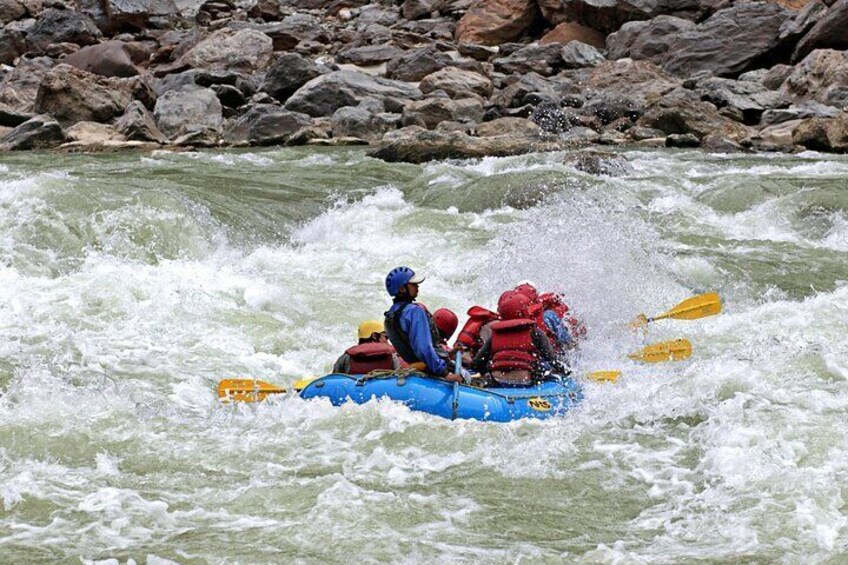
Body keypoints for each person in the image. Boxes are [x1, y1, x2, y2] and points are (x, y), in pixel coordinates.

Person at [383, 266, 463, 383]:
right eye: (413, 284)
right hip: (433, 370)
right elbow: (424, 348)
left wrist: (449, 353)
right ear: (402, 289)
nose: (417, 287)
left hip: (416, 369)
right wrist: (445, 374)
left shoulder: (390, 315)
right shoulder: (414, 311)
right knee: (467, 377)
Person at [472, 290, 567, 387]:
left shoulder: (495, 335)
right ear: (525, 311)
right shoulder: (534, 332)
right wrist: (565, 372)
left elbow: (477, 363)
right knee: (546, 370)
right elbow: (552, 359)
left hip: (497, 381)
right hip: (524, 381)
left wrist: (482, 372)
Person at [514, 282, 586, 353]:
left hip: (530, 358)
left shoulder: (511, 319)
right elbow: (567, 340)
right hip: (553, 354)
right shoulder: (549, 314)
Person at [332, 320, 401, 374]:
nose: (387, 341)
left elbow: (335, 378)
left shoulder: (346, 357)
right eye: (386, 337)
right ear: (374, 336)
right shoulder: (391, 356)